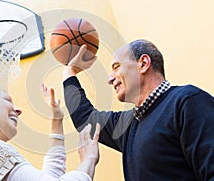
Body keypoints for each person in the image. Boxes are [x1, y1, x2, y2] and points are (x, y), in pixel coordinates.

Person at [62, 39, 214, 180]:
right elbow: (85, 118)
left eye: (117, 67)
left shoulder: (188, 101)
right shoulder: (127, 126)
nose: (110, 79)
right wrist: (69, 73)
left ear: (143, 64)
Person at [0, 83, 101, 181]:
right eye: (7, 100)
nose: (18, 110)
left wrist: (56, 120)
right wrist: (88, 159)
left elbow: (50, 176)